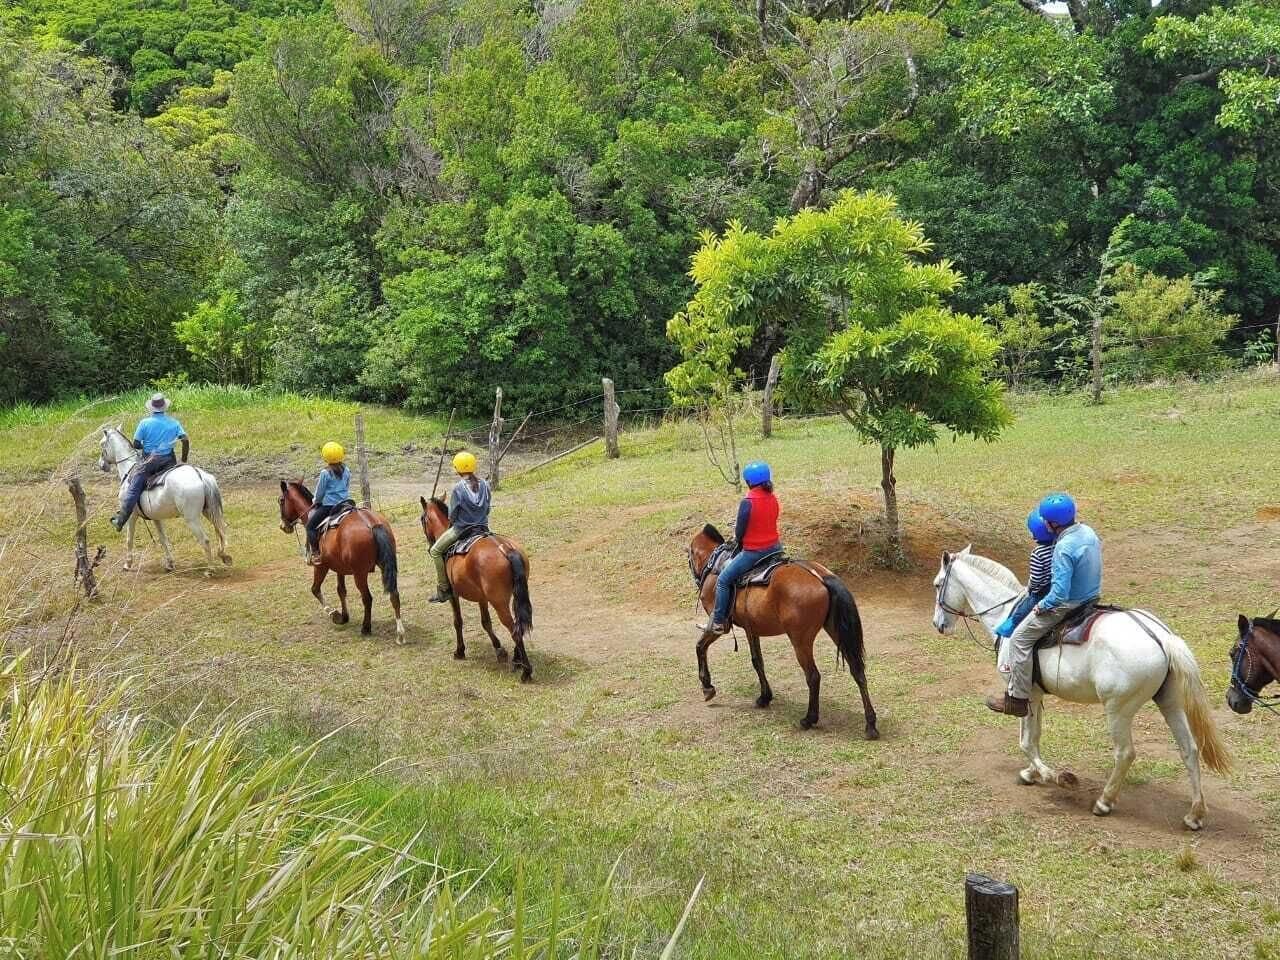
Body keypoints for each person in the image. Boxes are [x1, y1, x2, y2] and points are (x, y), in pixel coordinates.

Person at [986, 492, 1102, 717]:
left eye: (1046, 519)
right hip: (1092, 598)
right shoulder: (1088, 532)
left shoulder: (1063, 547)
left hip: (1069, 604)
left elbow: (1059, 593)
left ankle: (1017, 699)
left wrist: (1042, 605)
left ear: (1053, 523)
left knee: (1019, 639)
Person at [699, 460, 782, 636]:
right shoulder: (773, 498)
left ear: (749, 482)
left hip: (754, 552)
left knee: (723, 580)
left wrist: (738, 539)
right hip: (775, 548)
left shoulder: (748, 501)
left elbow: (740, 531)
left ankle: (719, 622)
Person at [110, 393, 189, 531]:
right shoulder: (174, 423)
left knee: (134, 486)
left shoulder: (144, 423)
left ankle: (121, 520)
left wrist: (145, 446)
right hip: (169, 462)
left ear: (151, 408)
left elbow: (135, 444)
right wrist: (183, 460)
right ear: (165, 408)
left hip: (149, 462)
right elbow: (185, 439)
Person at [429, 451, 491, 603]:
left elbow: (452, 515)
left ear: (457, 469)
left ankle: (444, 588)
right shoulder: (485, 484)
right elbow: (488, 508)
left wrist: (451, 522)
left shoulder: (458, 488)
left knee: (435, 551)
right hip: (483, 528)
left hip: (462, 529)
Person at [992, 509, 1057, 646]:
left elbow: (1036, 579)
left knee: (1022, 610)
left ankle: (1008, 628)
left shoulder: (1037, 553)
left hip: (1042, 592)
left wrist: (1030, 588)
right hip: (1056, 585)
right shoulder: (1058, 546)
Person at [304, 442, 352, 564]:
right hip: (346, 504)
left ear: (325, 457)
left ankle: (316, 553)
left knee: (309, 526)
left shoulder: (325, 473)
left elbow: (320, 492)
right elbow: (346, 486)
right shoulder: (346, 469)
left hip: (330, 507)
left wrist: (315, 501)